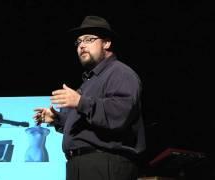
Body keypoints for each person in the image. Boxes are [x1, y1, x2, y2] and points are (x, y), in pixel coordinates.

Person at [33, 15, 146, 180]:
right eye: (78, 42)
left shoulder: (120, 73)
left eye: (89, 39)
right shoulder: (89, 82)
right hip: (80, 165)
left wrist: (80, 101)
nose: (82, 46)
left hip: (105, 164)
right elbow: (86, 122)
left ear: (107, 43)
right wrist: (57, 119)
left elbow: (120, 114)